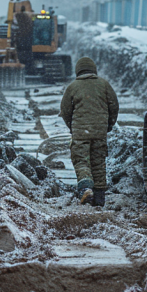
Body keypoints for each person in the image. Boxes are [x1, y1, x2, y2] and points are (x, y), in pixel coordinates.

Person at [59, 57, 119, 207]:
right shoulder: (104, 84)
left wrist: (72, 127)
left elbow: (65, 110)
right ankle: (99, 198)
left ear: (78, 70)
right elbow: (114, 106)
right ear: (94, 69)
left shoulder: (73, 87)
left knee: (81, 160)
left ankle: (86, 188)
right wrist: (108, 125)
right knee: (98, 162)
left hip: (80, 132)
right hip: (99, 132)